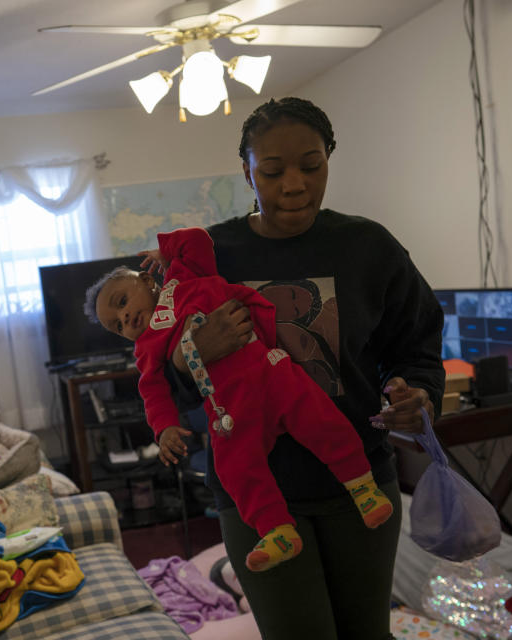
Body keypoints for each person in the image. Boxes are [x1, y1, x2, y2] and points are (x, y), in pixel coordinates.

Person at [156, 97, 444, 640]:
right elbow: (159, 370)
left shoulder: (368, 247)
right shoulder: (206, 255)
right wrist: (192, 352)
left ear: (329, 159)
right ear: (246, 171)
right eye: (272, 170)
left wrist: (418, 391)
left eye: (312, 166)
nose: (294, 185)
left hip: (359, 483)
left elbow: (417, 343)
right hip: (257, 495)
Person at [83, 225, 394, 573]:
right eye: (117, 326)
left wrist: (166, 251)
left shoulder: (181, 278)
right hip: (227, 408)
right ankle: (277, 530)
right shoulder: (147, 347)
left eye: (122, 302)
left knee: (322, 421)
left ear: (146, 279)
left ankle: (363, 487)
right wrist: (165, 428)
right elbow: (152, 391)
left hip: (272, 374)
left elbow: (197, 240)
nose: (125, 318)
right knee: (233, 467)